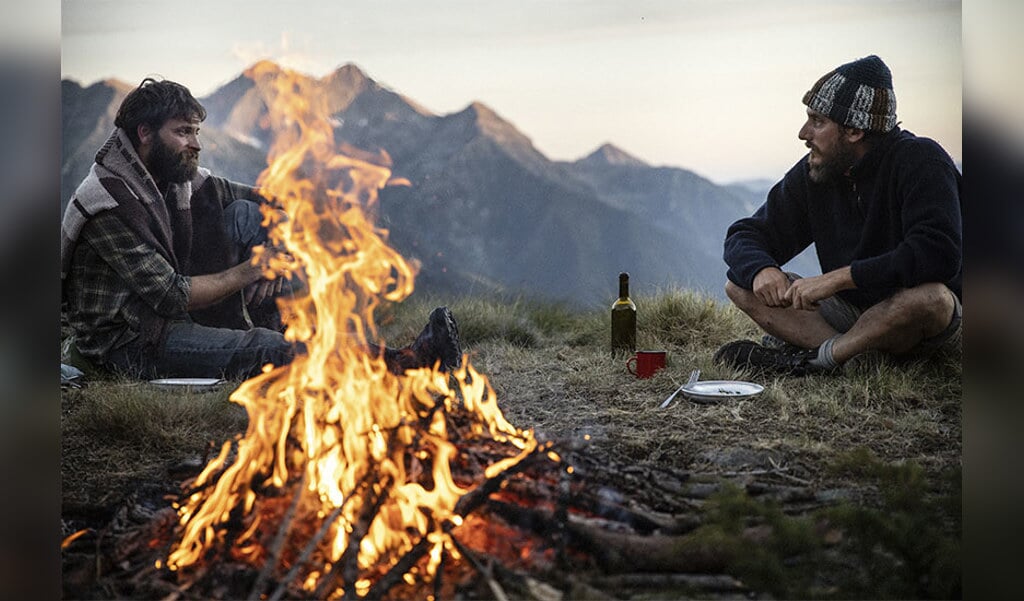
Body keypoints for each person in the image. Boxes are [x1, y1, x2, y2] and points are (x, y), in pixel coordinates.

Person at [60, 78, 461, 380]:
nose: (196, 144)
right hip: (130, 343)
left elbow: (267, 199)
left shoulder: (169, 178)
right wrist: (252, 270)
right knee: (267, 351)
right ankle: (402, 366)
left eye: (196, 132)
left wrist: (289, 237)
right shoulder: (110, 203)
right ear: (144, 133)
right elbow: (170, 295)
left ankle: (374, 350)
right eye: (183, 132)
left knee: (245, 214)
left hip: (164, 317)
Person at [714, 55, 962, 375]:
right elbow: (745, 234)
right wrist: (761, 269)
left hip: (925, 320)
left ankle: (817, 360)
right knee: (740, 283)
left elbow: (938, 255)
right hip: (852, 314)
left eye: (817, 121)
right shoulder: (817, 173)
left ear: (854, 131)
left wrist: (838, 279)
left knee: (930, 299)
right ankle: (852, 360)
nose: (804, 133)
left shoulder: (922, 160)